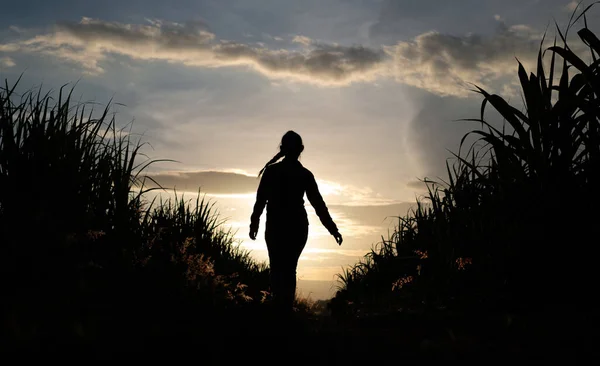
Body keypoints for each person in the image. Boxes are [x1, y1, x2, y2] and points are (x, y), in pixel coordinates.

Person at [249, 131, 343, 316]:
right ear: (301, 149)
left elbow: (261, 200)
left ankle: (279, 312)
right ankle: (285, 312)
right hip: (296, 228)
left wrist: (255, 222)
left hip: (277, 227)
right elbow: (319, 206)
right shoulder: (304, 174)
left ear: (282, 149)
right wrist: (333, 229)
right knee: (288, 269)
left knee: (277, 268)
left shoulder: (274, 171)